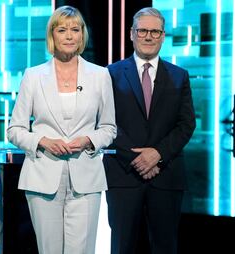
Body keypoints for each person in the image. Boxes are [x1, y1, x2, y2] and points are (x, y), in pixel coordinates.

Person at [7, 5, 116, 254]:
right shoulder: (33, 76)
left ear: (82, 35)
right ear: (52, 35)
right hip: (42, 175)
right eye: (62, 30)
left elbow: (109, 128)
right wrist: (42, 141)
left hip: (86, 178)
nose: (69, 35)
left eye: (75, 30)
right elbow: (15, 129)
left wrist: (88, 139)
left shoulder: (100, 76)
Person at [103, 7, 196, 254]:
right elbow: (105, 122)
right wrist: (136, 158)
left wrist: (158, 154)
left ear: (163, 36)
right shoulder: (109, 74)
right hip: (123, 176)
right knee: (121, 247)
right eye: (142, 30)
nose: (148, 36)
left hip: (166, 176)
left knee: (165, 247)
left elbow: (186, 124)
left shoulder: (179, 76)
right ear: (131, 34)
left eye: (154, 31)